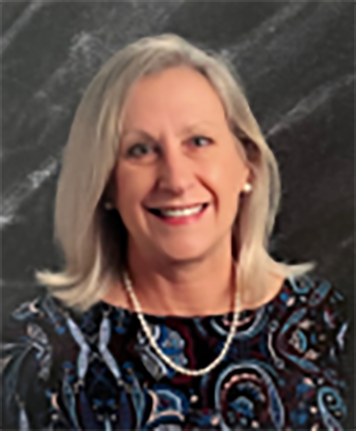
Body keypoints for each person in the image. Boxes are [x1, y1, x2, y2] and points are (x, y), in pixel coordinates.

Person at [0, 33, 348, 430]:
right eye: (140, 150)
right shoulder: (36, 352)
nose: (177, 179)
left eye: (199, 141)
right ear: (106, 184)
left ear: (247, 166)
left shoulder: (329, 321)